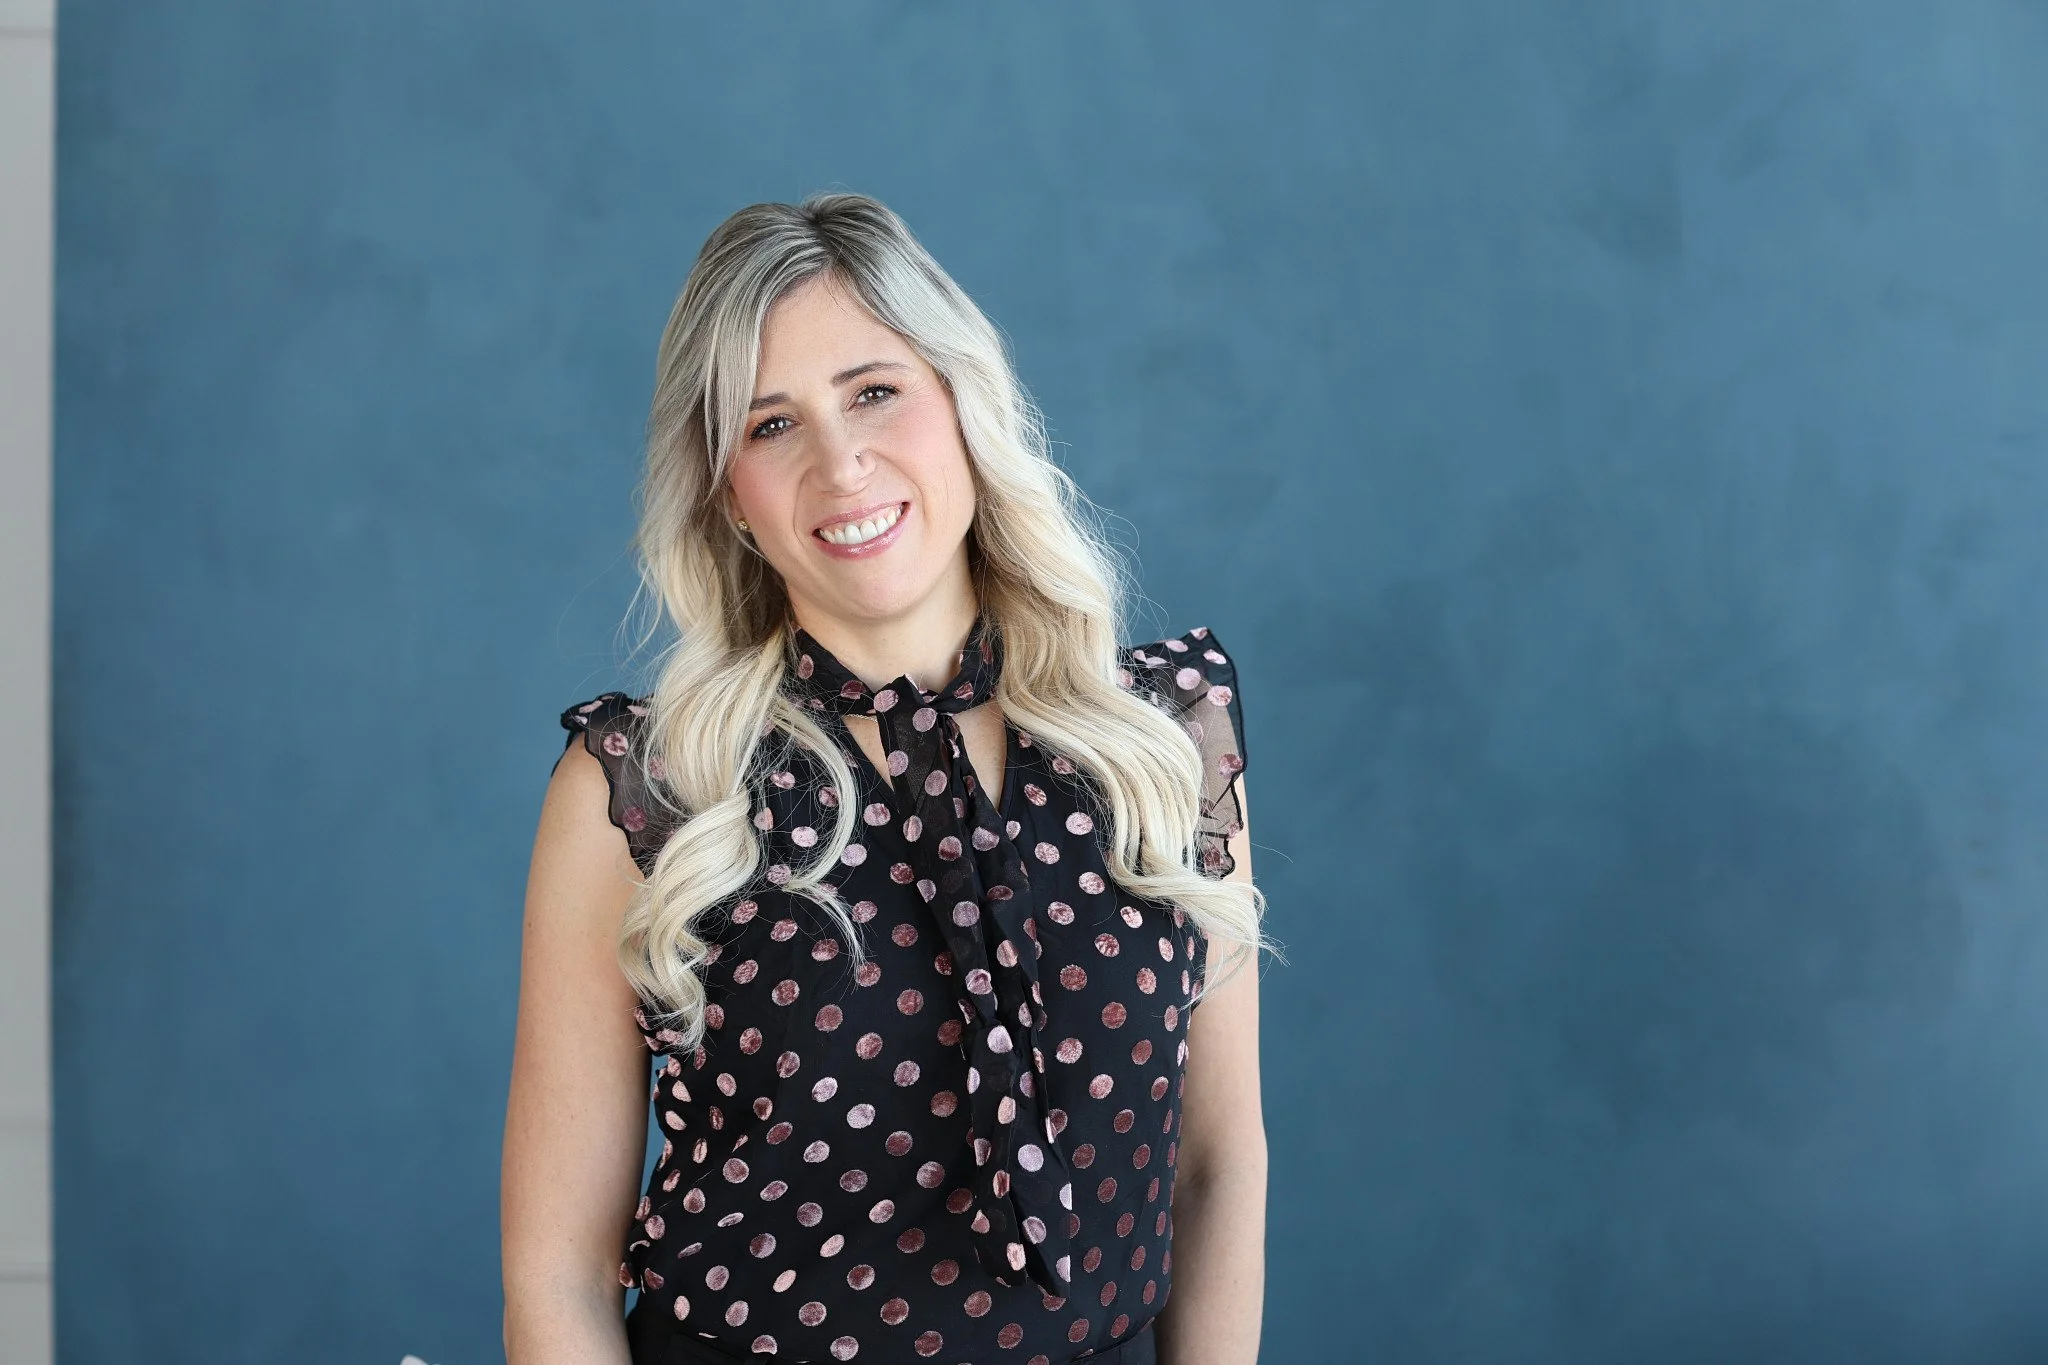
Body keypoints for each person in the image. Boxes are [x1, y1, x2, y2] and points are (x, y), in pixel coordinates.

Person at [502, 192, 1272, 1365]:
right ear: (725, 493)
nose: (840, 462)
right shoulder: (645, 788)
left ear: (963, 398)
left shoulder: (1164, 736)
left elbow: (1216, 1167)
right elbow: (557, 1273)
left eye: (874, 391)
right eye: (769, 426)